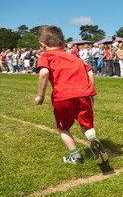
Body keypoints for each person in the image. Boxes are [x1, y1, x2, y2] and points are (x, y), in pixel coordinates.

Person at [34, 26, 108, 167]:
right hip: (83, 95)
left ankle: (75, 156)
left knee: (63, 128)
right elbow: (90, 73)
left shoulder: (46, 56)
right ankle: (92, 139)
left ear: (42, 44)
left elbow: (44, 73)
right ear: (63, 45)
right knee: (87, 125)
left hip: (62, 97)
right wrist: (91, 93)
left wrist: (40, 96)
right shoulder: (74, 58)